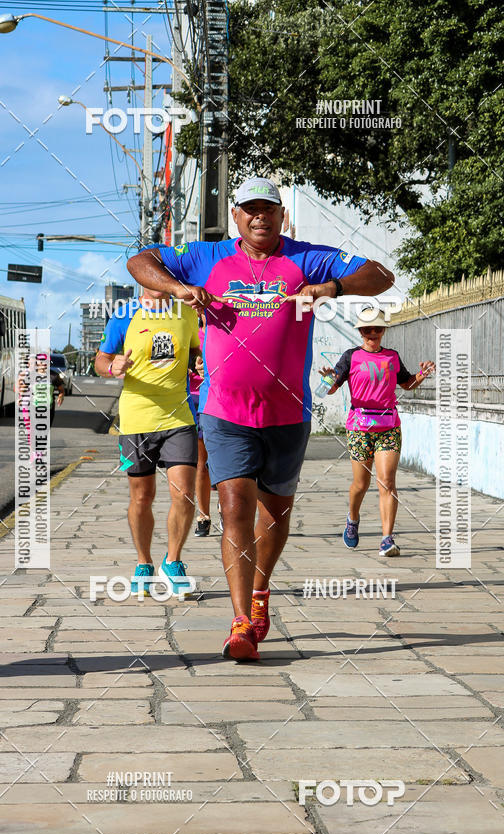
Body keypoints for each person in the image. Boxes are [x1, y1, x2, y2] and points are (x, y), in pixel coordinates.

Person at [126, 176, 394, 660]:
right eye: (249, 209)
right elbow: (140, 260)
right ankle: (241, 623)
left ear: (281, 215)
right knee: (234, 509)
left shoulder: (307, 258)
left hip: (289, 413)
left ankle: (261, 592)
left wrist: (332, 286)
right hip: (225, 411)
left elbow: (381, 275)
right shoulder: (206, 258)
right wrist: (179, 288)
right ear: (236, 216)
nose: (259, 217)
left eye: (268, 209)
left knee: (275, 516)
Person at [95, 289, 201, 596]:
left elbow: (196, 349)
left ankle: (174, 560)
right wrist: (112, 367)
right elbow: (101, 360)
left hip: (179, 417)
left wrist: (197, 363)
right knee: (142, 497)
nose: (157, 281)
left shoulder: (186, 313)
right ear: (141, 280)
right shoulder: (123, 314)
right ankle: (144, 563)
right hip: (135, 421)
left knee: (184, 493)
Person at [319, 308, 435, 557]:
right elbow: (330, 389)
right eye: (367, 329)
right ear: (360, 332)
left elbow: (407, 384)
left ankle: (387, 539)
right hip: (360, 427)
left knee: (388, 482)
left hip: (388, 427)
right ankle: (352, 518)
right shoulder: (351, 357)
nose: (373, 333)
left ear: (383, 331)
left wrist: (422, 374)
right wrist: (329, 379)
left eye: (378, 329)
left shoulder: (392, 356)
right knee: (361, 484)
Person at [188, 316, 213, 537]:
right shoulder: (189, 331)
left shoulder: (223, 331)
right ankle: (203, 515)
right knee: (201, 463)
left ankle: (228, 511)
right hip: (195, 399)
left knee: (224, 462)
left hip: (220, 400)